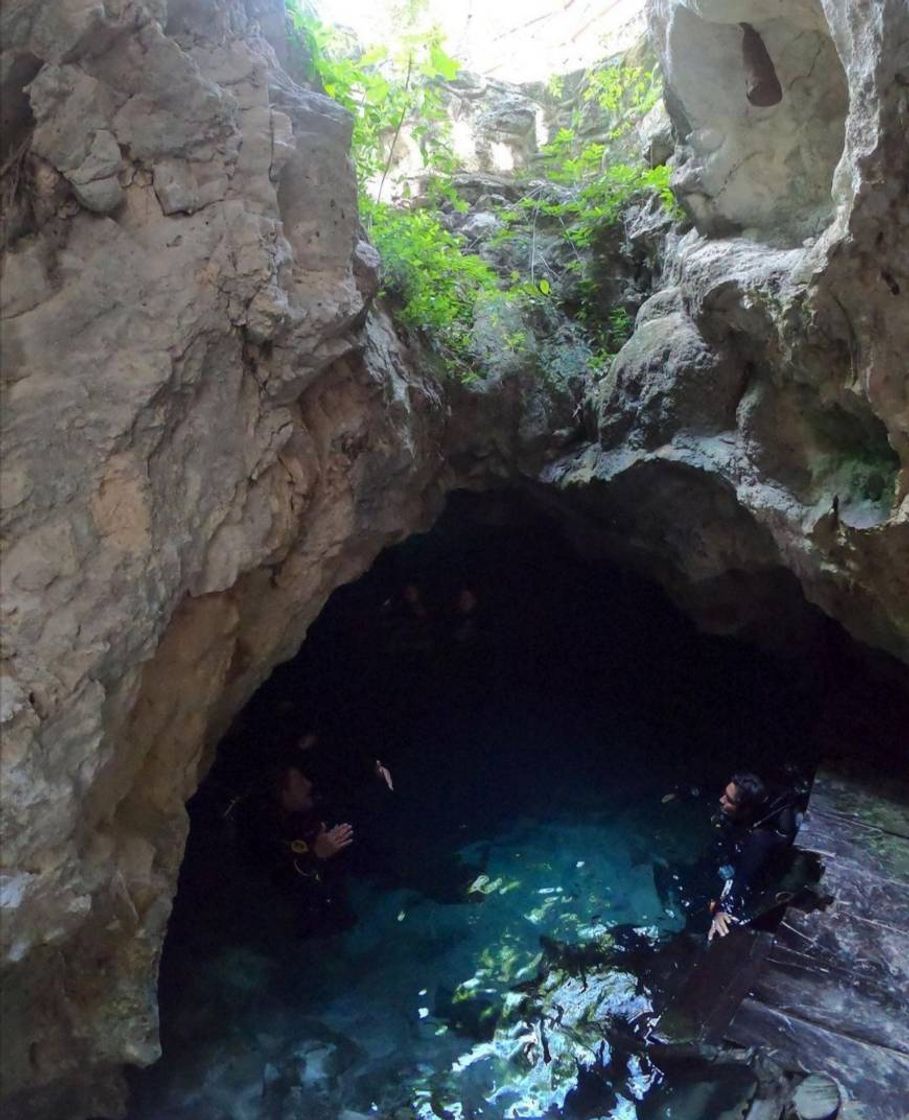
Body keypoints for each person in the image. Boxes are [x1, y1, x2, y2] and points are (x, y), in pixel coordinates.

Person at [708, 772, 801, 941]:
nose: (721, 800)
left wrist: (723, 910)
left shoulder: (760, 839)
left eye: (729, 800)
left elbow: (743, 877)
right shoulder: (761, 797)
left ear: (746, 808)